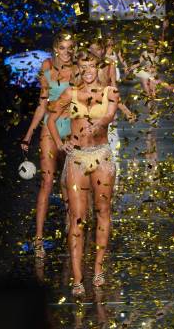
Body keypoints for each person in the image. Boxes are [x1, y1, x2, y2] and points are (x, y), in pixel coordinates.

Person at [47, 50, 120, 296]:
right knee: (77, 217)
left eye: (92, 66)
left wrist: (100, 123)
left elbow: (109, 115)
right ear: (79, 67)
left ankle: (98, 267)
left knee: (102, 212)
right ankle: (77, 276)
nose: (88, 70)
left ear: (99, 67)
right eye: (84, 66)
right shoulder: (71, 93)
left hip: (101, 157)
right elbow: (51, 118)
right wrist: (58, 142)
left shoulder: (111, 92)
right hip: (77, 158)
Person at [20, 29, 77, 258]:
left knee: (68, 181)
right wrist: (28, 133)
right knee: (46, 182)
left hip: (70, 129)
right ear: (55, 48)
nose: (66, 52)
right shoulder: (46, 67)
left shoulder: (78, 70)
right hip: (49, 128)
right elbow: (42, 104)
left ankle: (69, 220)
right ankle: (38, 238)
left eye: (70, 48)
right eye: (62, 48)